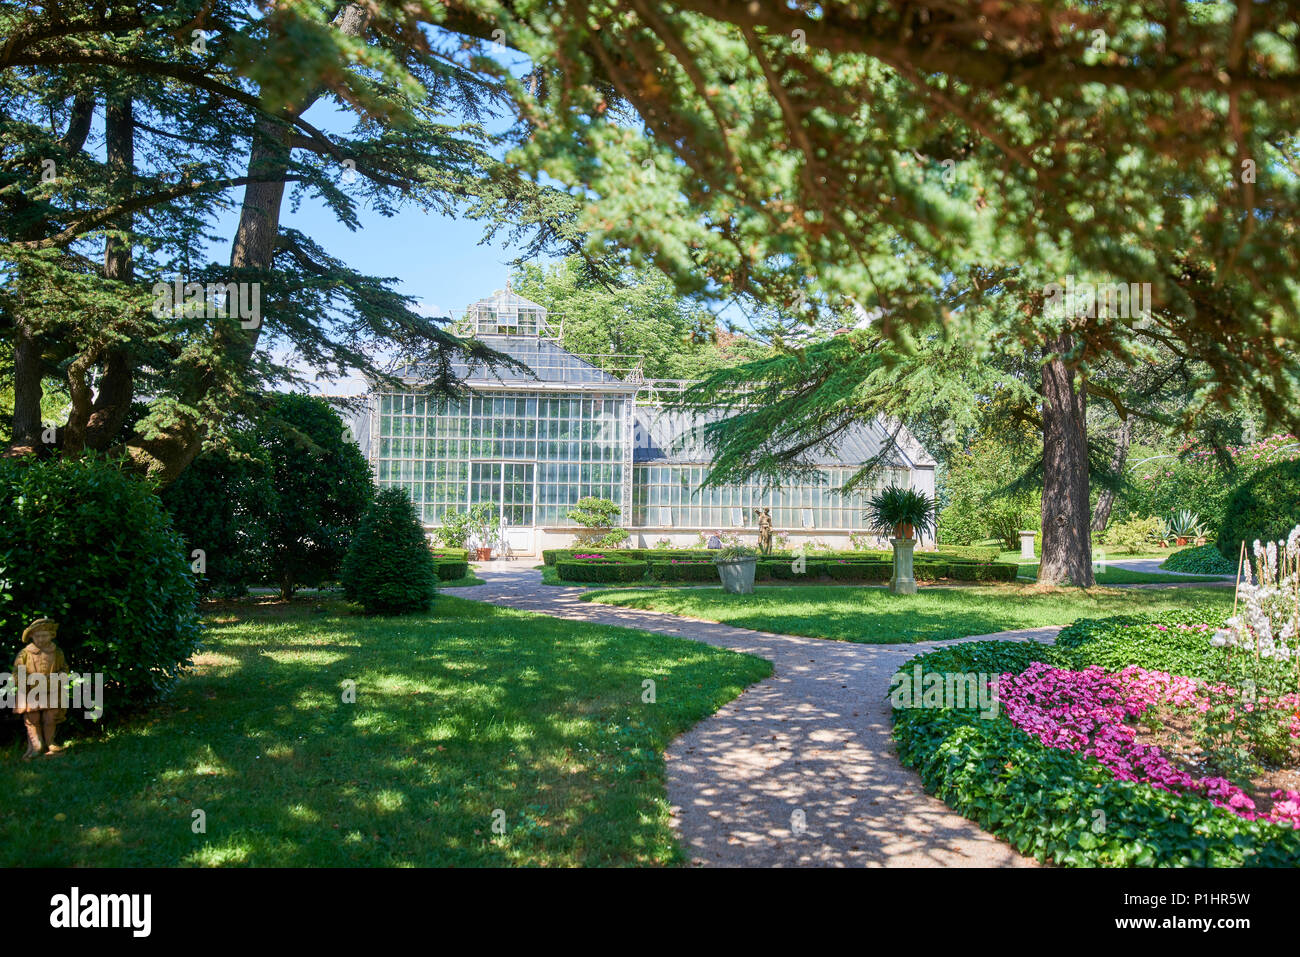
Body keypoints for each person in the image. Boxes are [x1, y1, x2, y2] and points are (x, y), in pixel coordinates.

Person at [13, 618, 69, 759]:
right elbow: (17, 672)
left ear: (51, 635)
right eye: (38, 636)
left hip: (51, 689)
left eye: (45, 635)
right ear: (32, 636)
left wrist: (60, 676)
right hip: (31, 691)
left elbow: (63, 668)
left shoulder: (57, 652)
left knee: (51, 717)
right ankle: (36, 746)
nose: (41, 639)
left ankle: (50, 743)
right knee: (33, 718)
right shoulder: (25, 654)